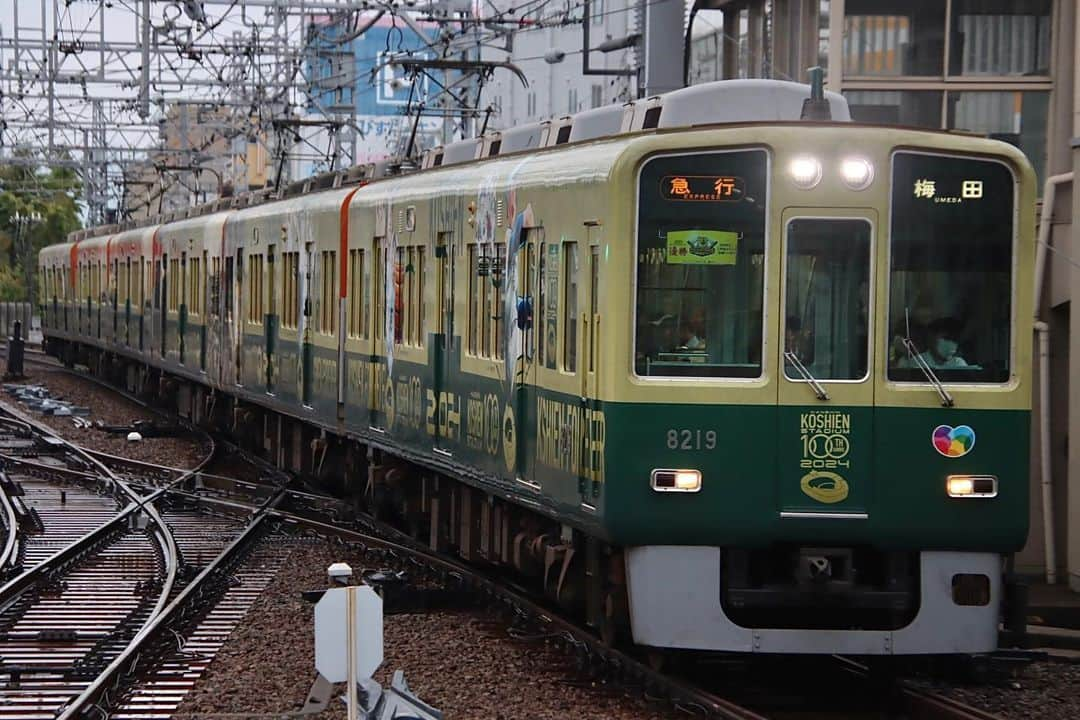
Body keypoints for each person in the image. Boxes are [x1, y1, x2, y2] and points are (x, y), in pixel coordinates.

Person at [899, 317, 968, 369]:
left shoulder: (958, 364)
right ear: (931, 338)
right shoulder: (914, 363)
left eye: (954, 340)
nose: (951, 344)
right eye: (946, 338)